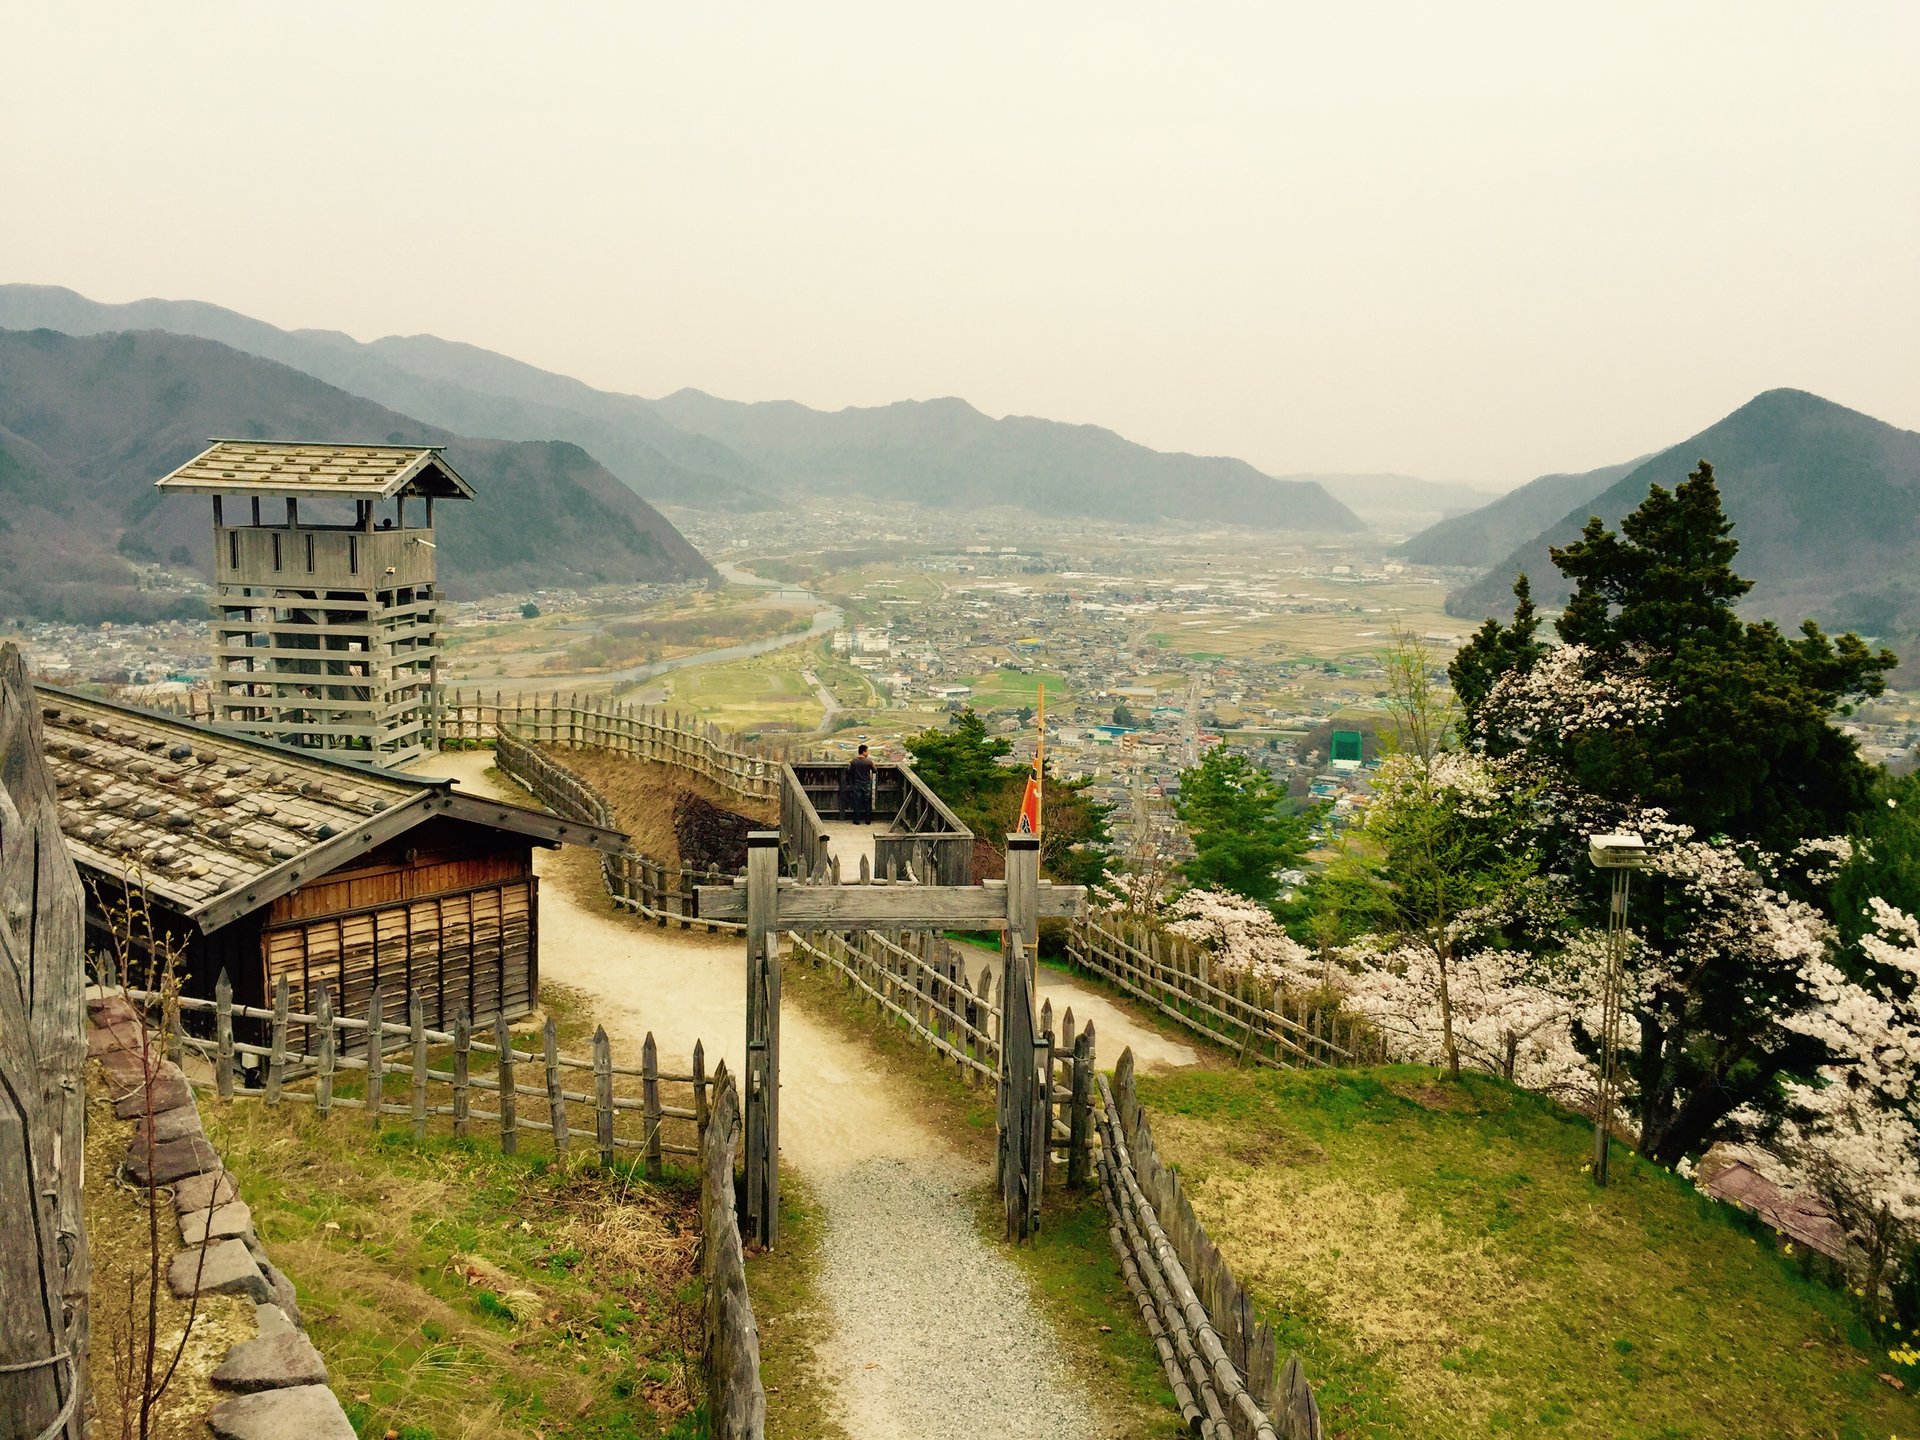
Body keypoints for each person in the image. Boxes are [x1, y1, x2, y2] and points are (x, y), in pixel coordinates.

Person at [848, 743, 875, 825]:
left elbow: (849, 772)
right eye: (867, 751)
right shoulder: (869, 761)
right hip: (866, 784)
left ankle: (856, 820)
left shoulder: (854, 761)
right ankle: (868, 820)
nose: (868, 753)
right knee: (867, 802)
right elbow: (875, 771)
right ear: (863, 752)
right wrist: (873, 764)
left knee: (857, 802)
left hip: (857, 784)